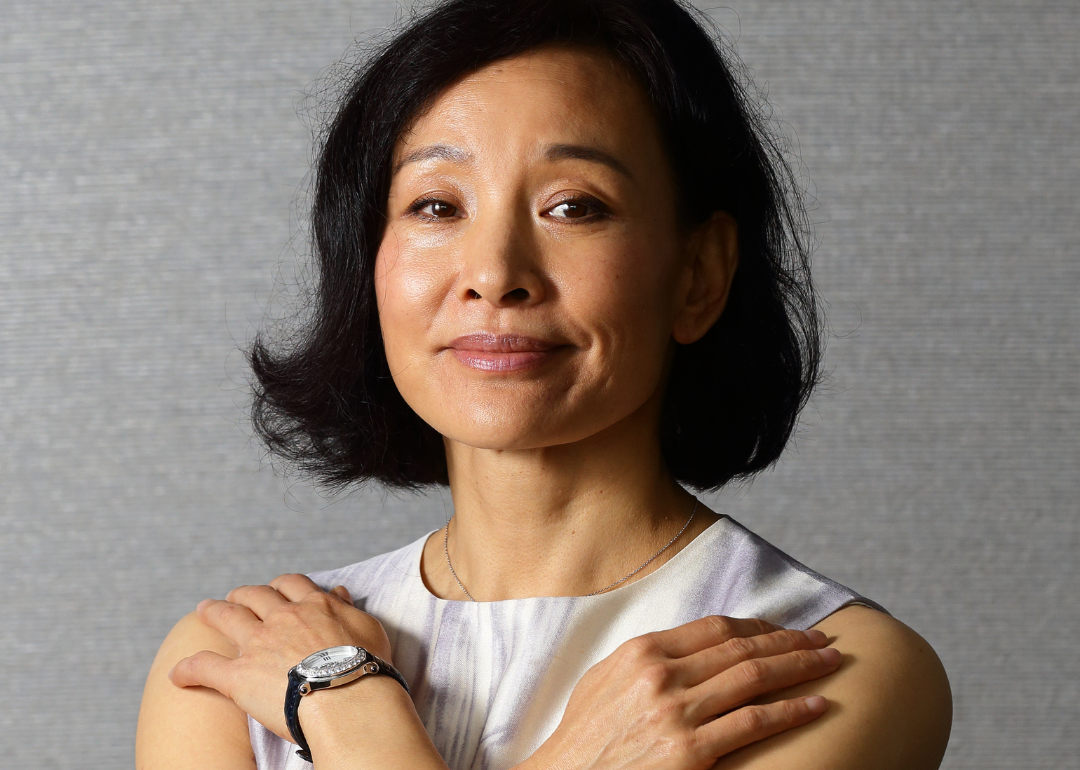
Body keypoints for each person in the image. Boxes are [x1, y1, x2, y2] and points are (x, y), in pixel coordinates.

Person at [136, 1, 952, 768]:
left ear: (698, 274)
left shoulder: (831, 672)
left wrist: (345, 705)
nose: (495, 274)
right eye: (435, 205)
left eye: (574, 207)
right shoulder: (233, 664)